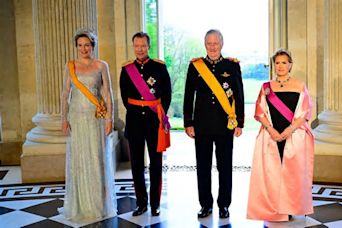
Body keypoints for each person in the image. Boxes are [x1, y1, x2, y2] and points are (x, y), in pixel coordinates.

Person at [247, 48, 314, 222]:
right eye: (277, 63)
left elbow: (305, 112)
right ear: (273, 65)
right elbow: (260, 112)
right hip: (271, 136)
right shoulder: (266, 87)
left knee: (291, 174)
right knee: (272, 174)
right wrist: (272, 131)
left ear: (290, 64)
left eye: (284, 62)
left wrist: (289, 130)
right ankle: (275, 209)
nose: (280, 66)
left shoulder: (299, 86)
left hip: (293, 135)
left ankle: (289, 207)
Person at [183, 29, 245, 219]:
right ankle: (205, 205)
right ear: (205, 44)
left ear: (222, 44)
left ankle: (224, 205)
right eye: (209, 43)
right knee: (202, 167)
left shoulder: (231, 66)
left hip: (225, 125)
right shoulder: (196, 66)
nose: (212, 47)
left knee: (225, 166)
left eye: (215, 43)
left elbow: (239, 95)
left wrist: (239, 122)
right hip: (201, 125)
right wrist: (188, 122)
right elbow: (188, 96)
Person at [60, 28, 117, 221]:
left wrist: (109, 119)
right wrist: (63, 118)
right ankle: (80, 206)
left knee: (95, 160)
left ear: (93, 46)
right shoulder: (70, 66)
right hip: (76, 118)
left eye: (87, 45)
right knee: (79, 162)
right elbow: (65, 93)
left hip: (95, 119)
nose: (83, 49)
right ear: (76, 47)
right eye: (80, 45)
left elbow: (108, 94)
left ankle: (97, 205)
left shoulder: (101, 66)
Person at [120, 32, 172, 217]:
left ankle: (155, 203)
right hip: (134, 122)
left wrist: (159, 113)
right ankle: (141, 203)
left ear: (148, 46)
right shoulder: (127, 69)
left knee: (156, 163)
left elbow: (166, 93)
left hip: (154, 122)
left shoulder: (159, 67)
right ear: (133, 46)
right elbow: (125, 97)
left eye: (143, 45)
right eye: (137, 46)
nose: (140, 49)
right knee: (136, 164)